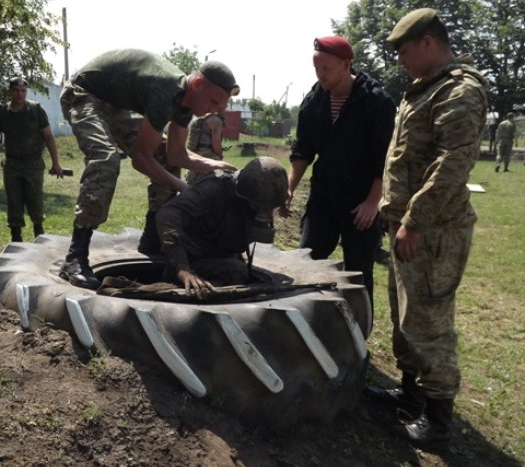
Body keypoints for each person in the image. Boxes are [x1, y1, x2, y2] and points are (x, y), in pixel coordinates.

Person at [366, 8, 488, 450]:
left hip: (432, 232)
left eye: (403, 50)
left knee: (429, 322)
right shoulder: (424, 90)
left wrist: (414, 219)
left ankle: (437, 422)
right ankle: (411, 392)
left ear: (428, 43)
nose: (399, 59)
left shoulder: (459, 91)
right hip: (407, 228)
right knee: (406, 318)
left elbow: (452, 164)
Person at [59, 48, 239, 290]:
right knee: (106, 158)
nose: (215, 109)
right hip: (82, 93)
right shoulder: (165, 92)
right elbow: (141, 159)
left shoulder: (185, 104)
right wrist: (185, 189)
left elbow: (177, 154)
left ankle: (151, 241)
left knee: (164, 155)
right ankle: (75, 257)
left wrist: (215, 164)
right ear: (197, 84)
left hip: (113, 103)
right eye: (214, 101)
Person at [280, 35, 396, 307]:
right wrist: (289, 187)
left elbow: (386, 157)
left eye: (326, 68)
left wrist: (372, 202)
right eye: (316, 68)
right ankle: (308, 320)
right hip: (324, 196)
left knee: (357, 271)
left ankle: (358, 332)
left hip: (361, 203)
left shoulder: (375, 101)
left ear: (346, 65)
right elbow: (303, 149)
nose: (321, 75)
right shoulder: (315, 100)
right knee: (307, 259)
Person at [156, 157, 288, 299]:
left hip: (218, 253)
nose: (264, 213)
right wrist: (182, 268)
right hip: (189, 256)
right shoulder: (214, 187)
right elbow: (168, 213)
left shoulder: (252, 197)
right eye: (260, 207)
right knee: (237, 271)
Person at [0, 77, 63, 242]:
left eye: (23, 91)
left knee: (35, 200)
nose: (20, 94)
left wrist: (56, 163)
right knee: (14, 202)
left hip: (33, 163)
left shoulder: (36, 110)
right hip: (12, 163)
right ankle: (16, 238)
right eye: (16, 90)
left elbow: (48, 137)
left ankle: (39, 234)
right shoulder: (1, 113)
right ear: (10, 91)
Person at [185, 111, 225, 185]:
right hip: (209, 159)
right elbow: (216, 146)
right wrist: (220, 154)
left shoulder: (198, 119)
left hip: (194, 159)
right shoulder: (215, 121)